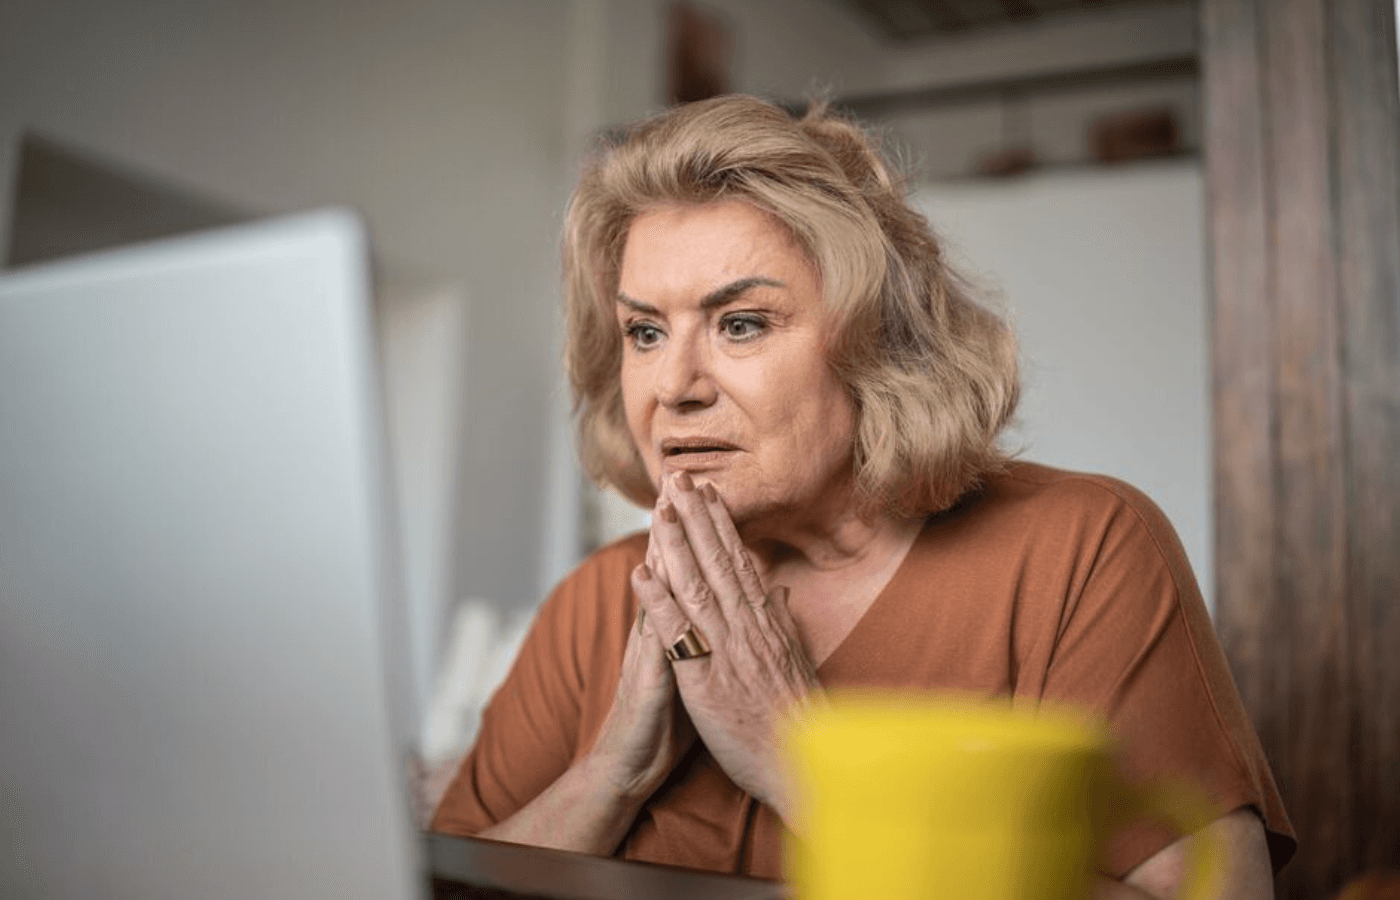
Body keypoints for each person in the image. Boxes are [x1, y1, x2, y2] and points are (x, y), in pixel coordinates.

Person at [432, 94, 1295, 898]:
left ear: (880, 346)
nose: (674, 385)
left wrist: (802, 764)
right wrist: (605, 781)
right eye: (645, 332)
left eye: (740, 324)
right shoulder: (596, 602)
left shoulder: (1081, 552)